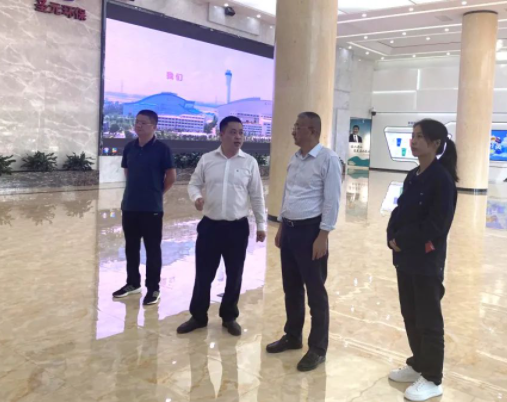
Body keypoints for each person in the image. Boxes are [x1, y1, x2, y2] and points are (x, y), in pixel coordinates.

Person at [386, 119, 458, 401]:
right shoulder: (413, 175)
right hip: (405, 258)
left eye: (419, 137)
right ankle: (418, 364)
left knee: (429, 320)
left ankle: (432, 378)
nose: (413, 141)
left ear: (436, 143)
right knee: (411, 314)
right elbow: (399, 210)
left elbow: (436, 225)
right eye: (412, 135)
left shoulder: (442, 180)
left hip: (426, 261)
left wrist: (403, 239)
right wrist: (391, 235)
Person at [266, 112, 342, 372]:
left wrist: (323, 235)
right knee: (291, 288)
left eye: (298, 127)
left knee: (316, 292)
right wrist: (281, 226)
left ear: (312, 130)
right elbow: (288, 193)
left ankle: (318, 348)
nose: (293, 131)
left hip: (311, 232)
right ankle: (293, 336)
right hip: (290, 230)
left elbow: (332, 200)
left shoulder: (328, 159)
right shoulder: (295, 158)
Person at [177, 116, 266, 336]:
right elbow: (194, 184)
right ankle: (198, 316)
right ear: (222, 134)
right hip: (210, 227)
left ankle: (229, 316)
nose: (238, 136)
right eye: (233, 132)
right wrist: (196, 197)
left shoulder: (249, 163)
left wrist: (261, 224)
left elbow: (257, 195)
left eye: (241, 132)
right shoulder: (207, 159)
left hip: (237, 228)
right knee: (203, 274)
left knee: (235, 274)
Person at [113, 110, 177, 305]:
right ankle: (133, 283)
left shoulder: (162, 149)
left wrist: (156, 193)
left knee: (152, 249)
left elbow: (171, 177)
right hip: (130, 206)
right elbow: (128, 172)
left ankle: (153, 288)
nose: (138, 125)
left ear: (153, 126)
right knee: (131, 247)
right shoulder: (129, 147)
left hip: (152, 209)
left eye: (143, 122)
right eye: (137, 122)